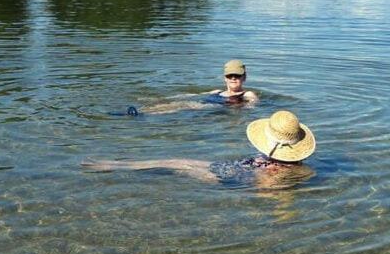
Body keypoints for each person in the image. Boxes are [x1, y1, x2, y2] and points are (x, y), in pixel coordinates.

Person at [84, 110, 315, 188]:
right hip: (229, 168)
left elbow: (264, 188)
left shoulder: (294, 172)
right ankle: (120, 164)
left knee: (177, 166)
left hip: (227, 180)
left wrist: (268, 176)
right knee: (175, 160)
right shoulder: (291, 164)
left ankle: (113, 167)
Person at [137, 59, 258, 115]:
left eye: (237, 75)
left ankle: (145, 114)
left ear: (244, 77)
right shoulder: (217, 91)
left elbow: (253, 106)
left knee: (181, 107)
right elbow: (191, 95)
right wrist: (163, 98)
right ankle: (143, 111)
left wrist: (245, 107)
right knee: (179, 103)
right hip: (203, 102)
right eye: (230, 75)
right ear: (225, 78)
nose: (233, 78)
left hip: (215, 107)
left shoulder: (247, 94)